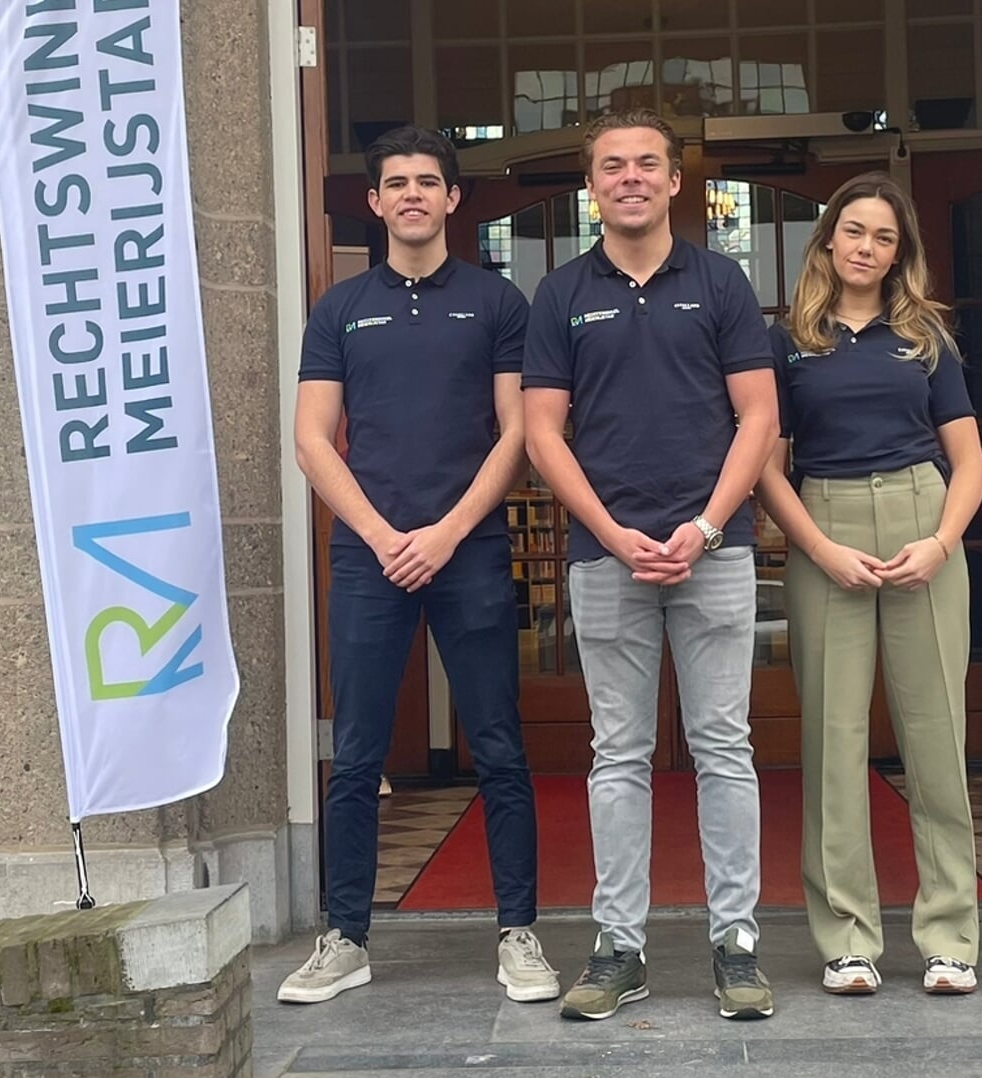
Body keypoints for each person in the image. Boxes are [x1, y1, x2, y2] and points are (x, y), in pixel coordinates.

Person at [285, 125, 556, 1006]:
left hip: (469, 547)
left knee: (499, 747)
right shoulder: (338, 308)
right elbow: (312, 440)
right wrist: (379, 533)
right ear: (374, 202)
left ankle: (518, 932)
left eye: (427, 182)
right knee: (357, 752)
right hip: (368, 557)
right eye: (395, 182)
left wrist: (443, 532)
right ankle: (344, 938)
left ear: (451, 199)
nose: (411, 194)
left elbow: (517, 433)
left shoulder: (496, 302)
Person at [521, 108, 780, 1022]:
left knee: (724, 750)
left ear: (676, 182)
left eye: (645, 165)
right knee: (617, 756)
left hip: (712, 556)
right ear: (592, 187)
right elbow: (541, 432)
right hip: (604, 555)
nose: (628, 177)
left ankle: (735, 946)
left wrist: (705, 528)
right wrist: (611, 529)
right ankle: (618, 947)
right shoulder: (559, 295)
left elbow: (757, 416)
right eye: (610, 166)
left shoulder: (720, 282)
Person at [754, 172, 982, 996]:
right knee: (833, 742)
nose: (865, 247)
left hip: (923, 522)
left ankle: (949, 936)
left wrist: (940, 542)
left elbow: (967, 461)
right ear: (826, 241)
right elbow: (766, 465)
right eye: (852, 231)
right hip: (827, 530)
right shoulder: (786, 342)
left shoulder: (926, 339)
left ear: (900, 254)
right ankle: (847, 940)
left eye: (883, 237)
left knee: (934, 738)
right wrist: (815, 546)